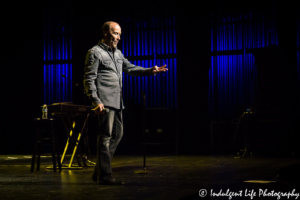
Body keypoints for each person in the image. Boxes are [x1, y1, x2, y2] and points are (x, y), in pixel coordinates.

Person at [83, 21, 168, 185]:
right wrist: (96, 101)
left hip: (118, 101)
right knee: (105, 137)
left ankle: (99, 171)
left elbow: (130, 68)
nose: (118, 37)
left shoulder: (118, 54)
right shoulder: (95, 52)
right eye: (115, 33)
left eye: (120, 34)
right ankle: (106, 175)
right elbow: (89, 79)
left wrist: (151, 71)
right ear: (105, 33)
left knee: (118, 134)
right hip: (105, 102)